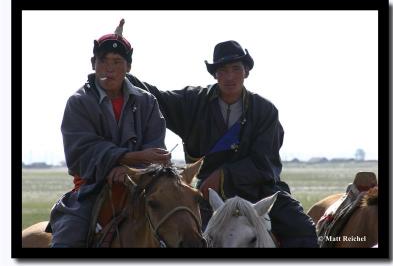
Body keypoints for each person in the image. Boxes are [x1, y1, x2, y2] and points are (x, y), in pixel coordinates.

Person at [128, 40, 318, 247]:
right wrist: (122, 65)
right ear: (214, 74)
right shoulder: (193, 102)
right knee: (189, 237)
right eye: (222, 70)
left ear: (246, 72)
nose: (229, 76)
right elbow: (154, 96)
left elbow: (265, 163)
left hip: (260, 190)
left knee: (303, 229)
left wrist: (222, 175)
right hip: (209, 196)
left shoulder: (265, 111)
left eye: (236, 69)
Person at [48, 19, 171, 247]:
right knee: (68, 238)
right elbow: (80, 152)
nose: (109, 68)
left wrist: (130, 169)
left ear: (128, 67)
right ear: (93, 63)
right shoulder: (79, 103)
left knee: (184, 227)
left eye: (117, 61)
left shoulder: (147, 101)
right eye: (103, 61)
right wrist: (131, 157)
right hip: (91, 190)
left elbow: (156, 151)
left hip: (141, 187)